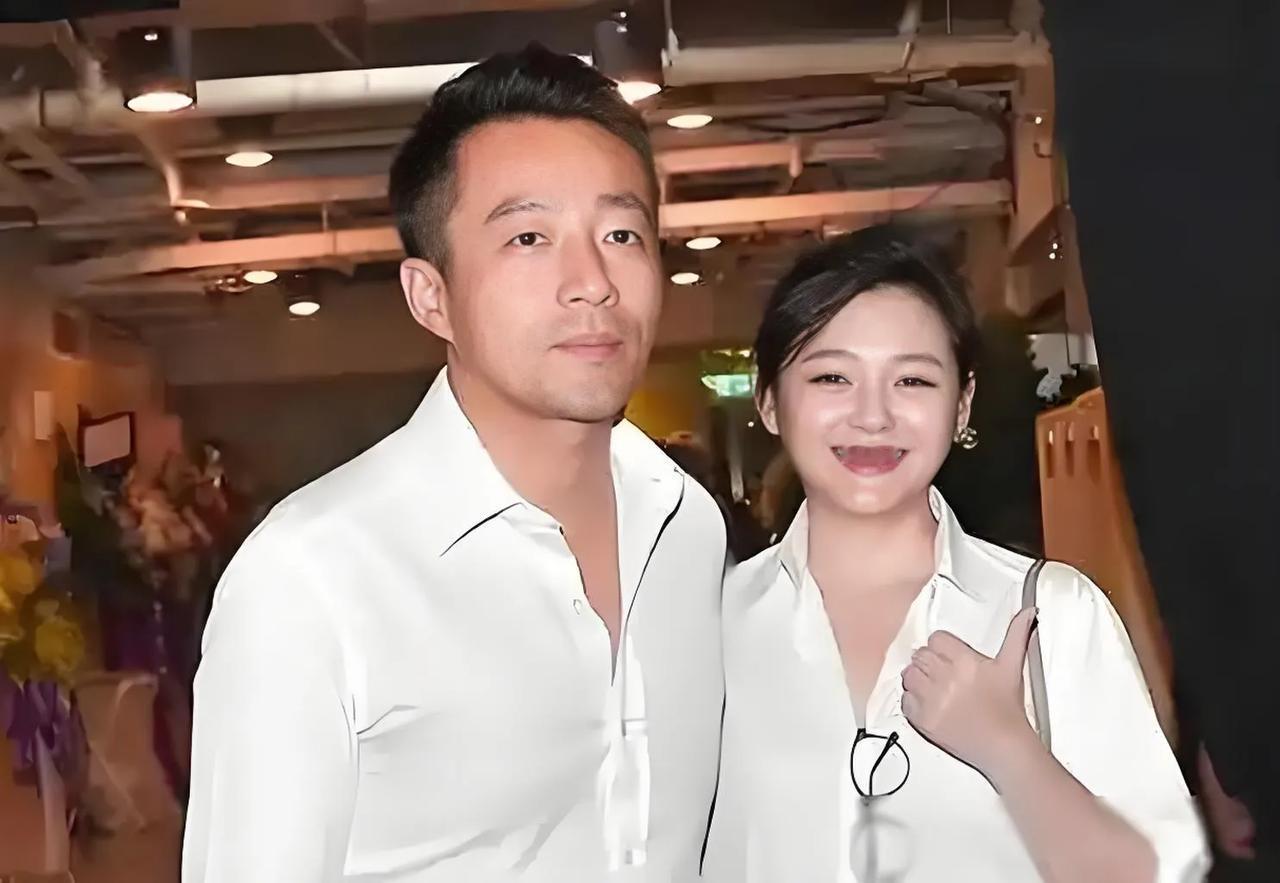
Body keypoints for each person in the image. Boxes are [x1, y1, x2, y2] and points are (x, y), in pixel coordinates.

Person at [183, 46, 726, 882]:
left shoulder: (687, 526)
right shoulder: (312, 576)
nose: (592, 281)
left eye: (621, 233)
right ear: (430, 296)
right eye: (529, 237)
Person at [701, 225, 1208, 882]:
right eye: (832, 377)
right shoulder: (707, 626)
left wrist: (1009, 747)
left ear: (962, 404)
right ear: (769, 400)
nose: (873, 416)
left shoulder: (1050, 614)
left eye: (912, 380)